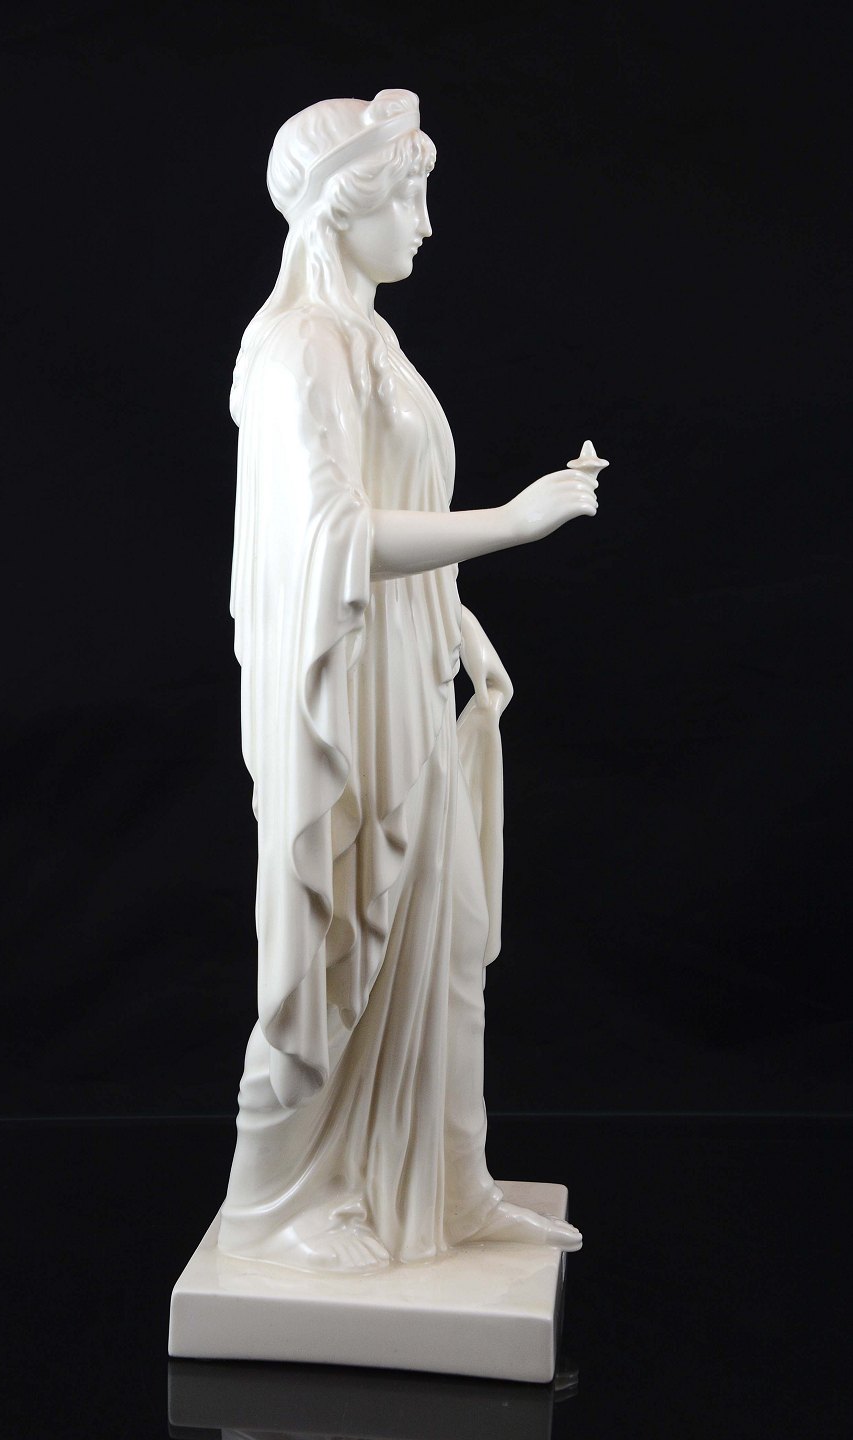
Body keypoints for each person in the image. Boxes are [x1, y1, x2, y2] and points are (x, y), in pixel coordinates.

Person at [218, 89, 598, 1272]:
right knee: (336, 940)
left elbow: (392, 514)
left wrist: (455, 619)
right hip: (343, 694)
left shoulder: (371, 340)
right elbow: (330, 537)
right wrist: (515, 524)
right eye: (411, 197)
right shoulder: (301, 348)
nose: (427, 225)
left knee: (439, 938)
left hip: (407, 671)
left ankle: (446, 1182)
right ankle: (277, 1205)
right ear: (346, 207)